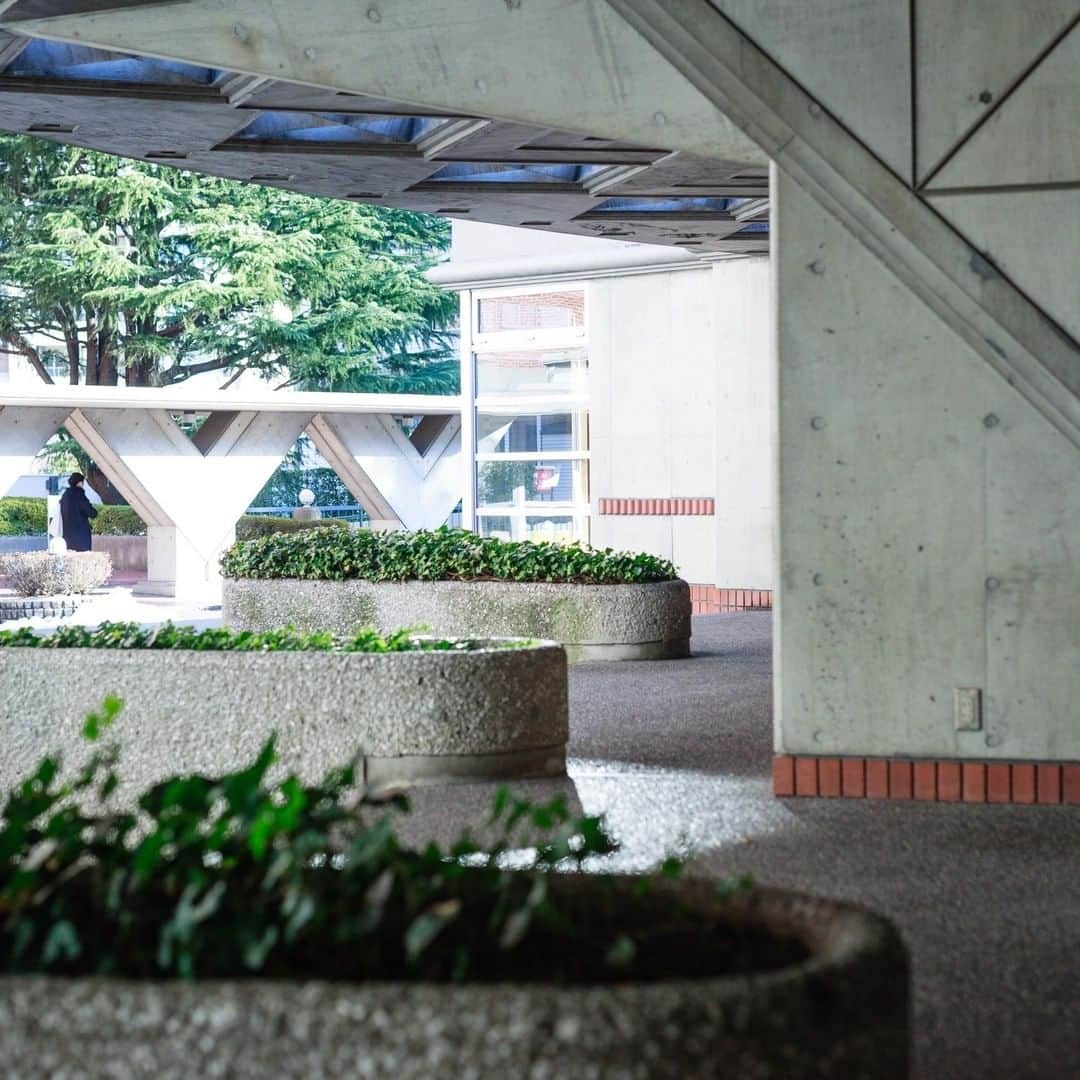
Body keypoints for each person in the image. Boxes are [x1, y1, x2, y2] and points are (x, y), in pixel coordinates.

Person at [59, 472, 98, 552]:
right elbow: (92, 513)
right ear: (80, 482)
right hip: (81, 537)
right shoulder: (80, 495)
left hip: (67, 536)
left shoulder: (65, 495)